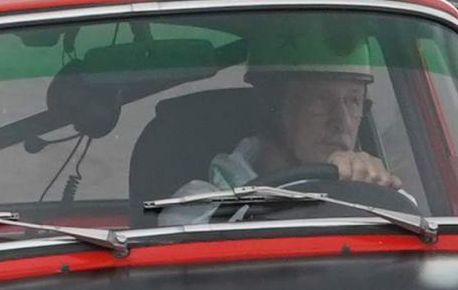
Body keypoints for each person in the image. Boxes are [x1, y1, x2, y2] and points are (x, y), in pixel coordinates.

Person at [164, 31, 401, 221]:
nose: (341, 122)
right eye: (320, 100)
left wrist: (371, 194)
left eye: (353, 101)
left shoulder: (382, 196)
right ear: (272, 107)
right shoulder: (198, 206)